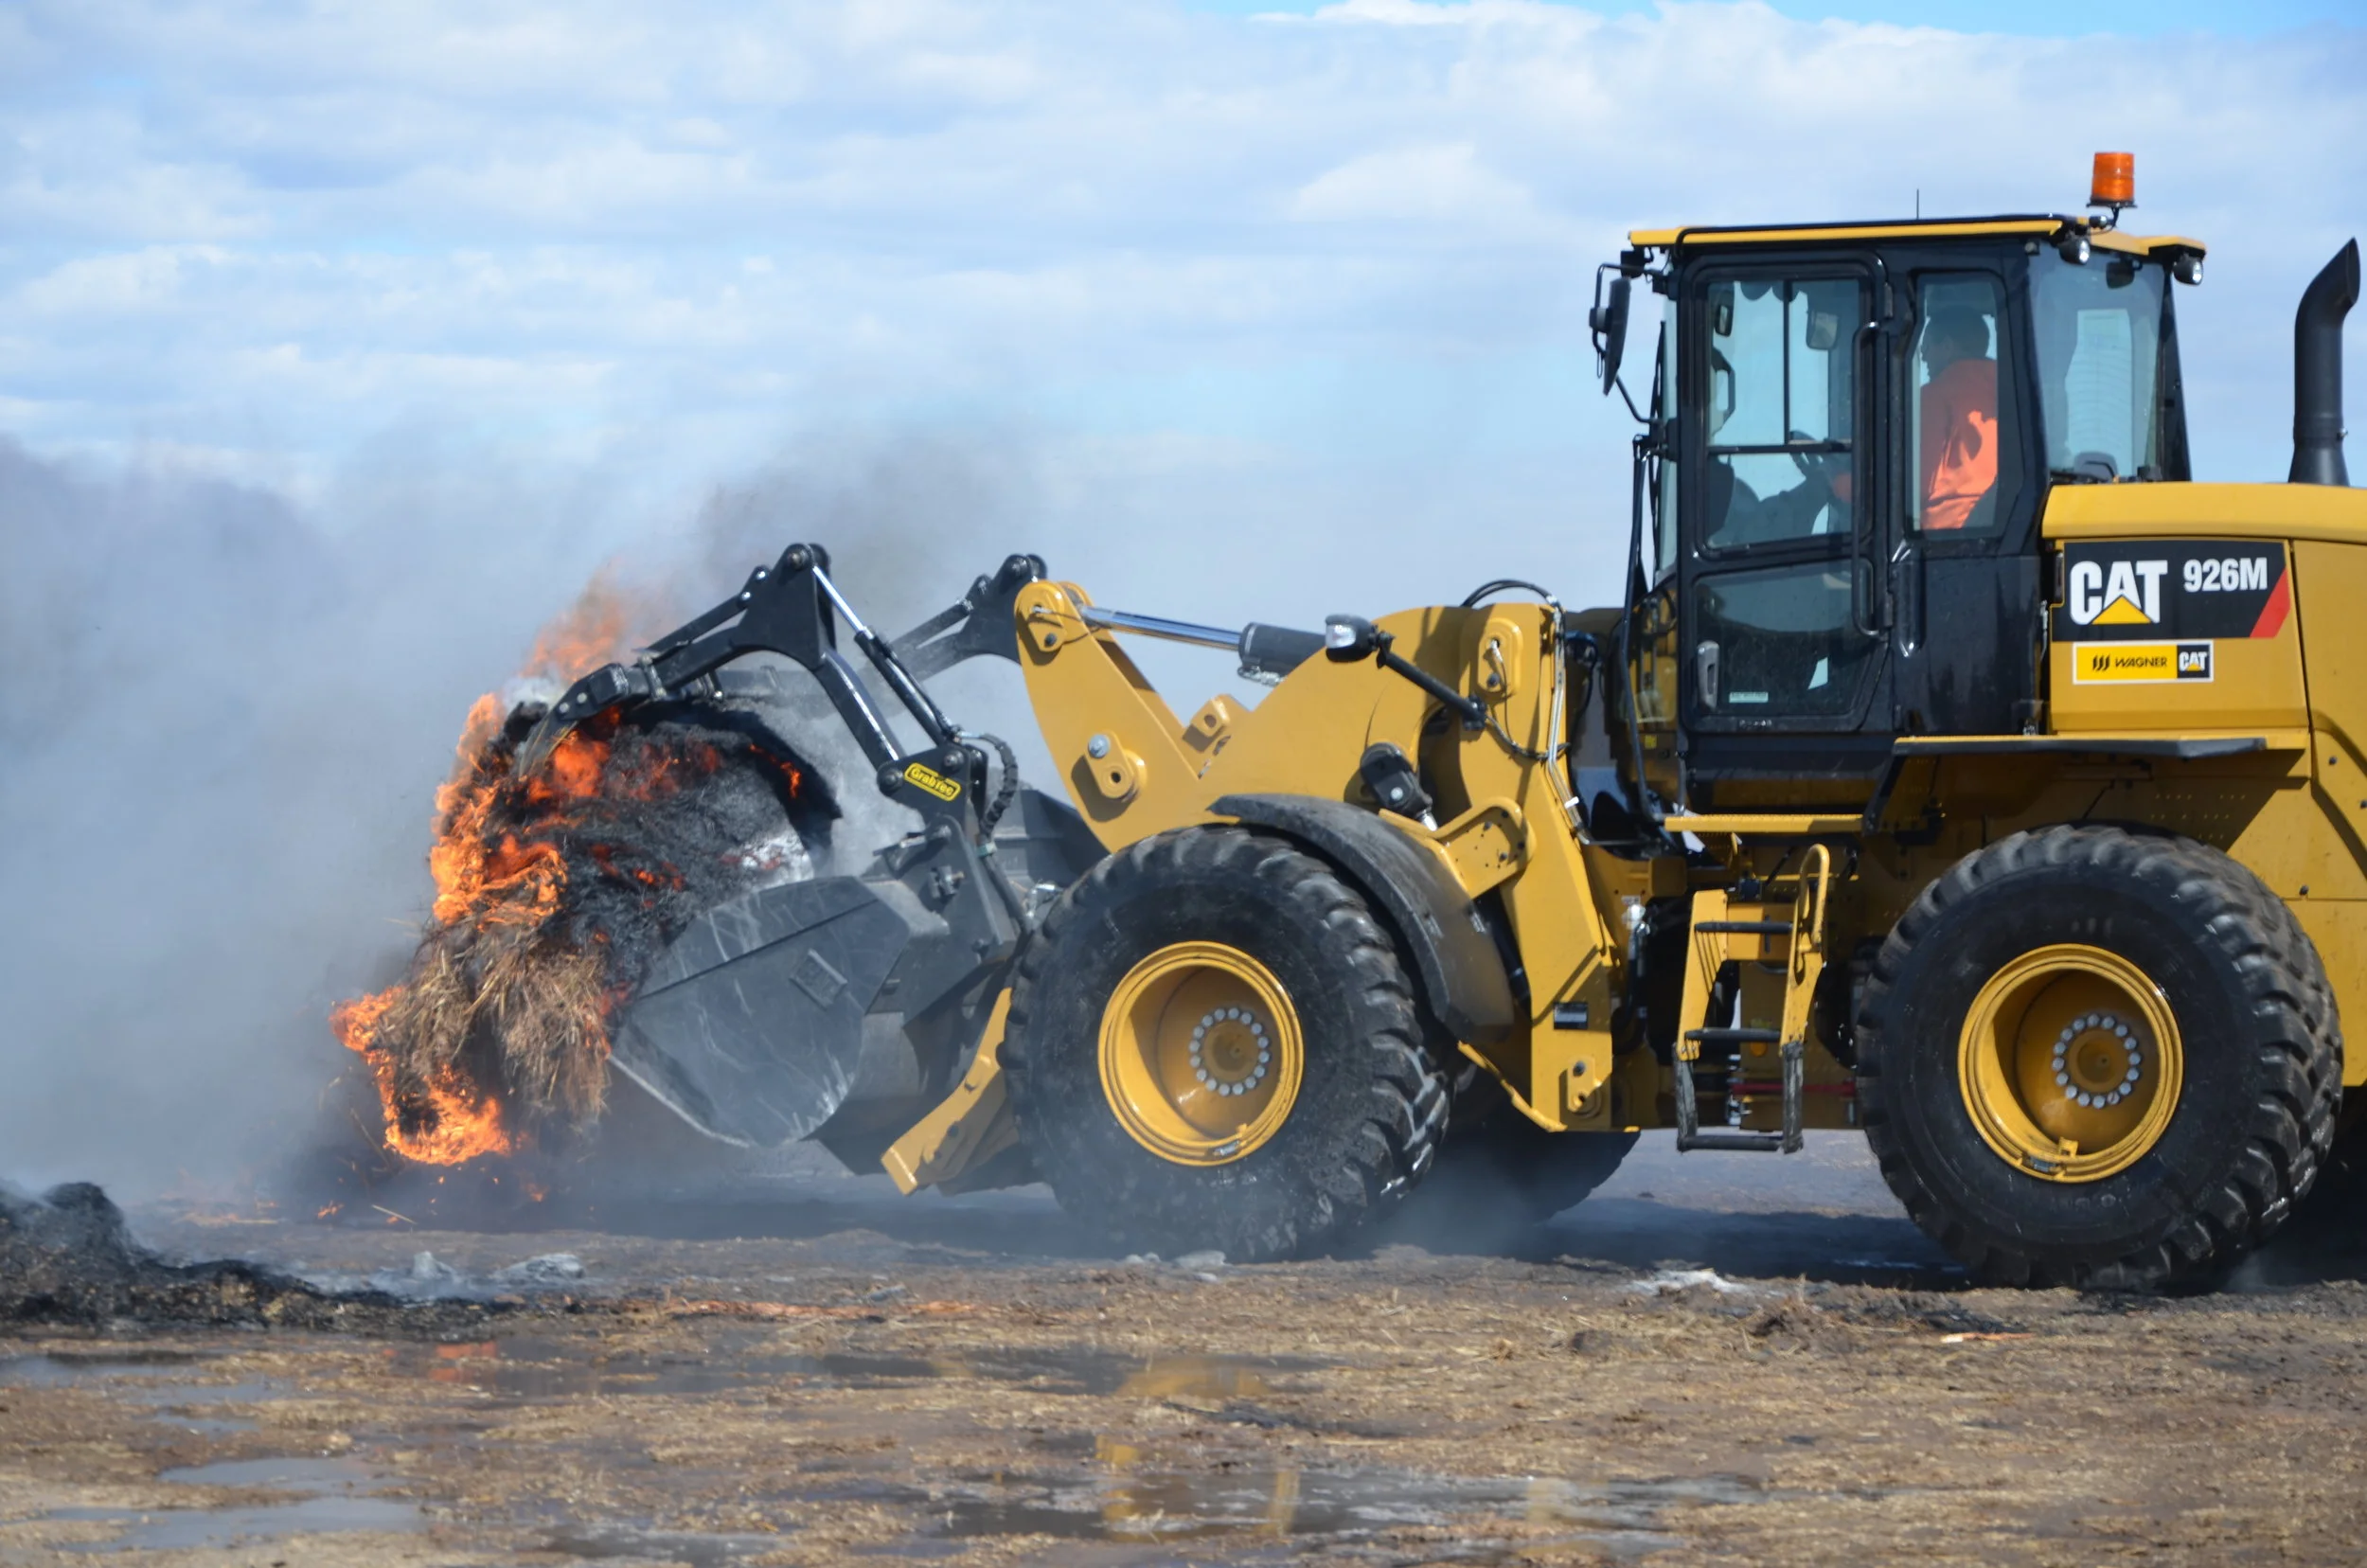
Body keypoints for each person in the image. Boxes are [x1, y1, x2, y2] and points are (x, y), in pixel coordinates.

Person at [1919, 308, 1999, 530]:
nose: (1923, 356)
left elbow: (1917, 486)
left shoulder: (1934, 395)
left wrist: (1842, 485)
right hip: (2004, 525)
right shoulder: (2013, 392)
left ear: (1946, 347)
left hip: (1947, 532)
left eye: (1925, 347)